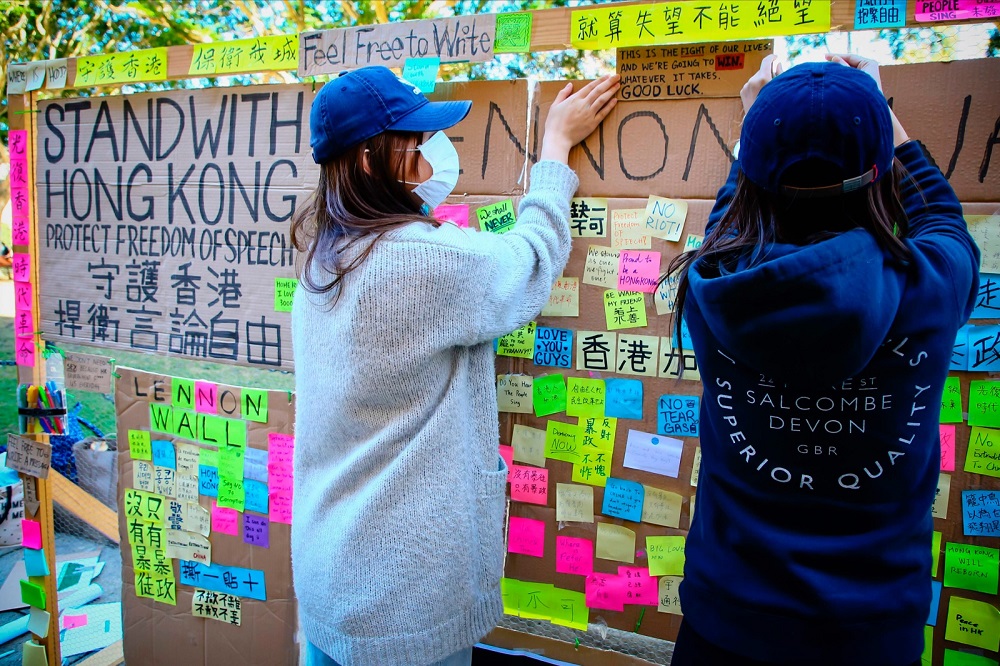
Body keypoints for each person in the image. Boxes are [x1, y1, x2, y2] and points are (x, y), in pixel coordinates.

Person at [290, 66, 620, 666]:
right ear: (370, 159)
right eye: (414, 141)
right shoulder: (413, 261)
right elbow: (526, 260)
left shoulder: (326, 257)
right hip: (397, 603)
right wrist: (554, 150)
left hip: (334, 575)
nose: (429, 153)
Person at [664, 55, 979, 665]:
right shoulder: (929, 288)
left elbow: (729, 221)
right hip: (871, 633)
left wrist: (757, 123)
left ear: (752, 179)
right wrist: (885, 122)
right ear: (880, 172)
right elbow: (943, 220)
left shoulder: (713, 286)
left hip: (725, 621)